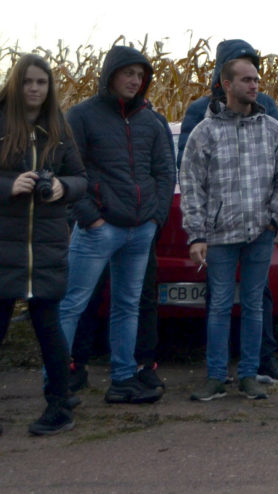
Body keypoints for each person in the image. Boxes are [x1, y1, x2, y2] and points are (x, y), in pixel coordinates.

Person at [60, 46, 174, 405]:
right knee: (72, 304)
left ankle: (123, 379)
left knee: (127, 305)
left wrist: (155, 219)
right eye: (129, 74)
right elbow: (66, 169)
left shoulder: (151, 121)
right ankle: (58, 381)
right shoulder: (82, 116)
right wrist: (89, 217)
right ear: (111, 74)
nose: (135, 81)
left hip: (140, 230)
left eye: (140, 76)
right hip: (99, 228)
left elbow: (164, 171)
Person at [177, 38, 278, 385]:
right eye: (246, 78)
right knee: (220, 305)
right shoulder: (202, 125)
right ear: (226, 81)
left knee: (255, 305)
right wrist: (197, 232)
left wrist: (272, 218)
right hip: (220, 234)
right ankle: (215, 377)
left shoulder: (271, 122)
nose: (255, 85)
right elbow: (191, 181)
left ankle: (251, 373)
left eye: (257, 78)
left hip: (259, 232)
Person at [0, 55, 86, 435]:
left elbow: (81, 178)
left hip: (47, 246)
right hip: (6, 246)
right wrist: (8, 187)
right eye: (28, 82)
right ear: (16, 85)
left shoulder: (59, 129)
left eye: (42, 82)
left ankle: (59, 407)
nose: (35, 89)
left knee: (50, 330)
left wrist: (63, 188)